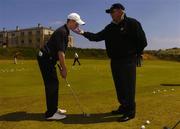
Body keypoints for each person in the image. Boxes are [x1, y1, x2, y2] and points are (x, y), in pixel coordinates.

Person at [74, 3, 147, 122]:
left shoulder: (133, 23)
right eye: (110, 13)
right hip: (115, 61)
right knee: (119, 86)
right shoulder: (110, 27)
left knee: (128, 87)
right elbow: (97, 37)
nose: (111, 15)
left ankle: (130, 112)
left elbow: (142, 41)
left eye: (112, 12)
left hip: (128, 60)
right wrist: (82, 33)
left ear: (120, 11)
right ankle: (123, 107)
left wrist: (137, 54)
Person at [37, 13, 85, 120]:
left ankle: (54, 109)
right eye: (77, 24)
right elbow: (60, 53)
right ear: (71, 22)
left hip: (48, 59)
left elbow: (57, 52)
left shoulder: (64, 31)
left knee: (53, 83)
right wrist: (64, 69)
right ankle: (51, 114)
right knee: (52, 84)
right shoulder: (62, 32)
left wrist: (60, 65)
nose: (78, 26)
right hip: (45, 59)